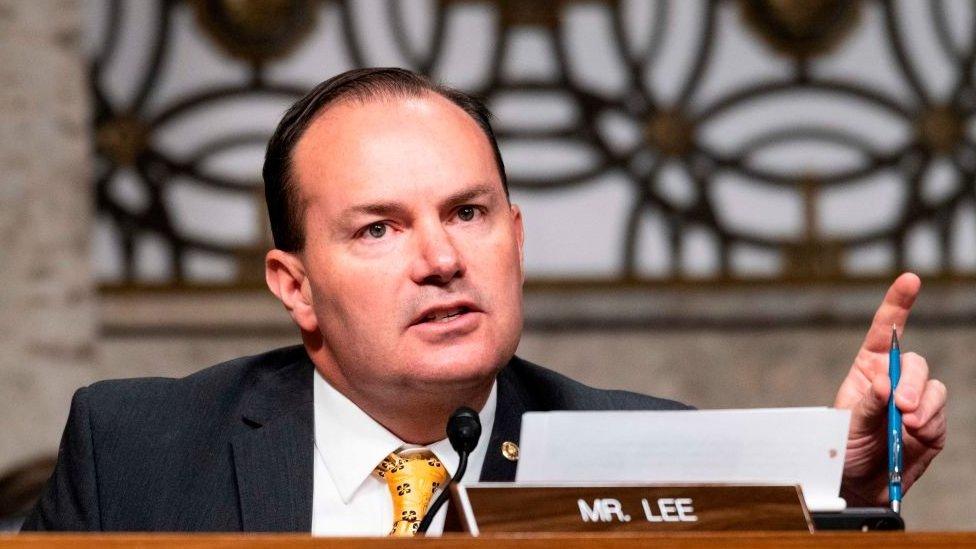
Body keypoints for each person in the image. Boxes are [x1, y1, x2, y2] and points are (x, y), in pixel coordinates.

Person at [22, 68, 947, 534]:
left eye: (467, 213)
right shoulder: (134, 453)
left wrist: (840, 498)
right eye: (378, 228)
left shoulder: (650, 457)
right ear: (293, 284)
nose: (440, 259)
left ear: (516, 236)